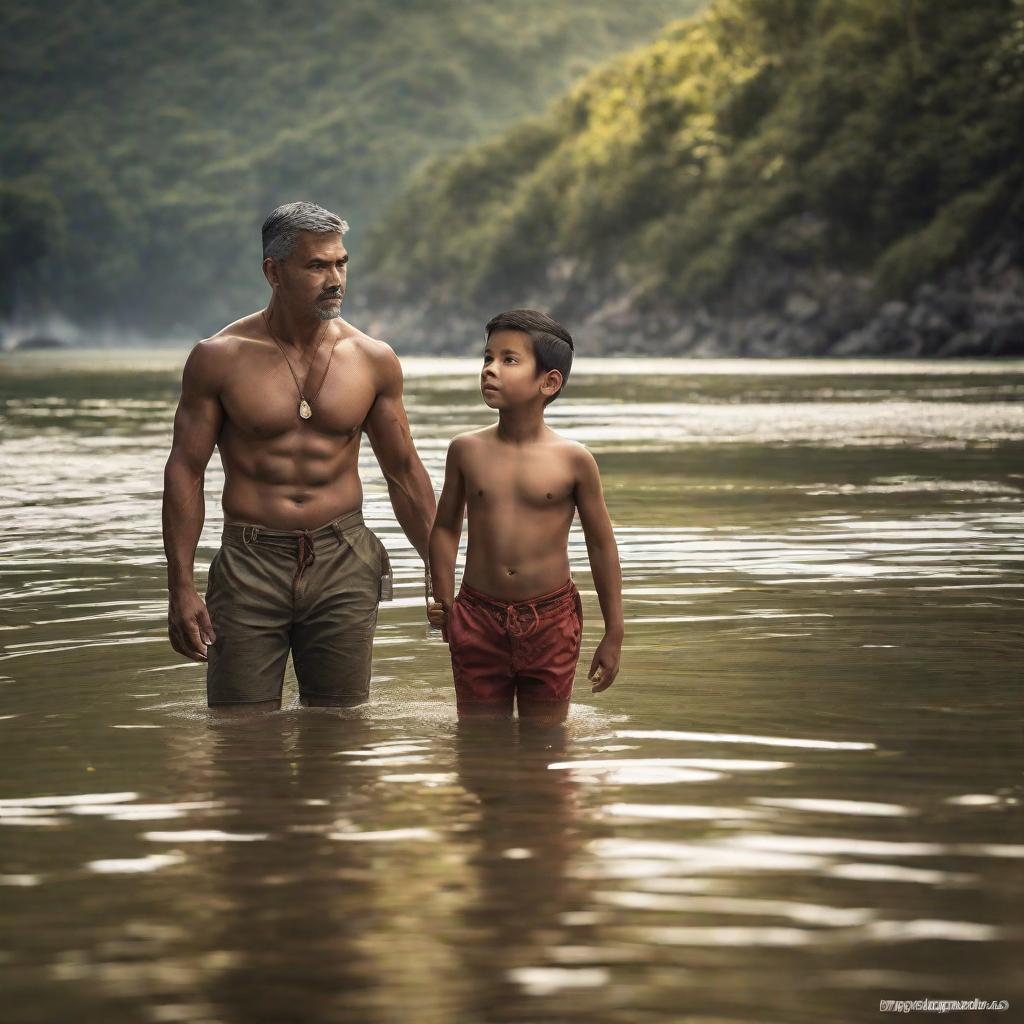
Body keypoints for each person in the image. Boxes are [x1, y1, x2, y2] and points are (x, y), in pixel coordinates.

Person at [163, 201, 435, 714]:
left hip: (344, 556)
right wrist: (180, 585)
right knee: (239, 731)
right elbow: (185, 471)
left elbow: (403, 472)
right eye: (316, 266)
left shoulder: (373, 360)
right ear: (273, 272)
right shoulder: (219, 358)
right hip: (250, 560)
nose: (334, 278)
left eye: (341, 263)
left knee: (340, 729)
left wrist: (441, 568)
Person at [427, 309, 623, 723]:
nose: (490, 370)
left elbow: (601, 546)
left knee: (547, 742)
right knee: (478, 738)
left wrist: (614, 631)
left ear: (549, 382)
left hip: (550, 619)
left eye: (508, 360)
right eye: (487, 358)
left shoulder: (574, 461)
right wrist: (443, 597)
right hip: (477, 615)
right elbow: (445, 527)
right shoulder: (466, 451)